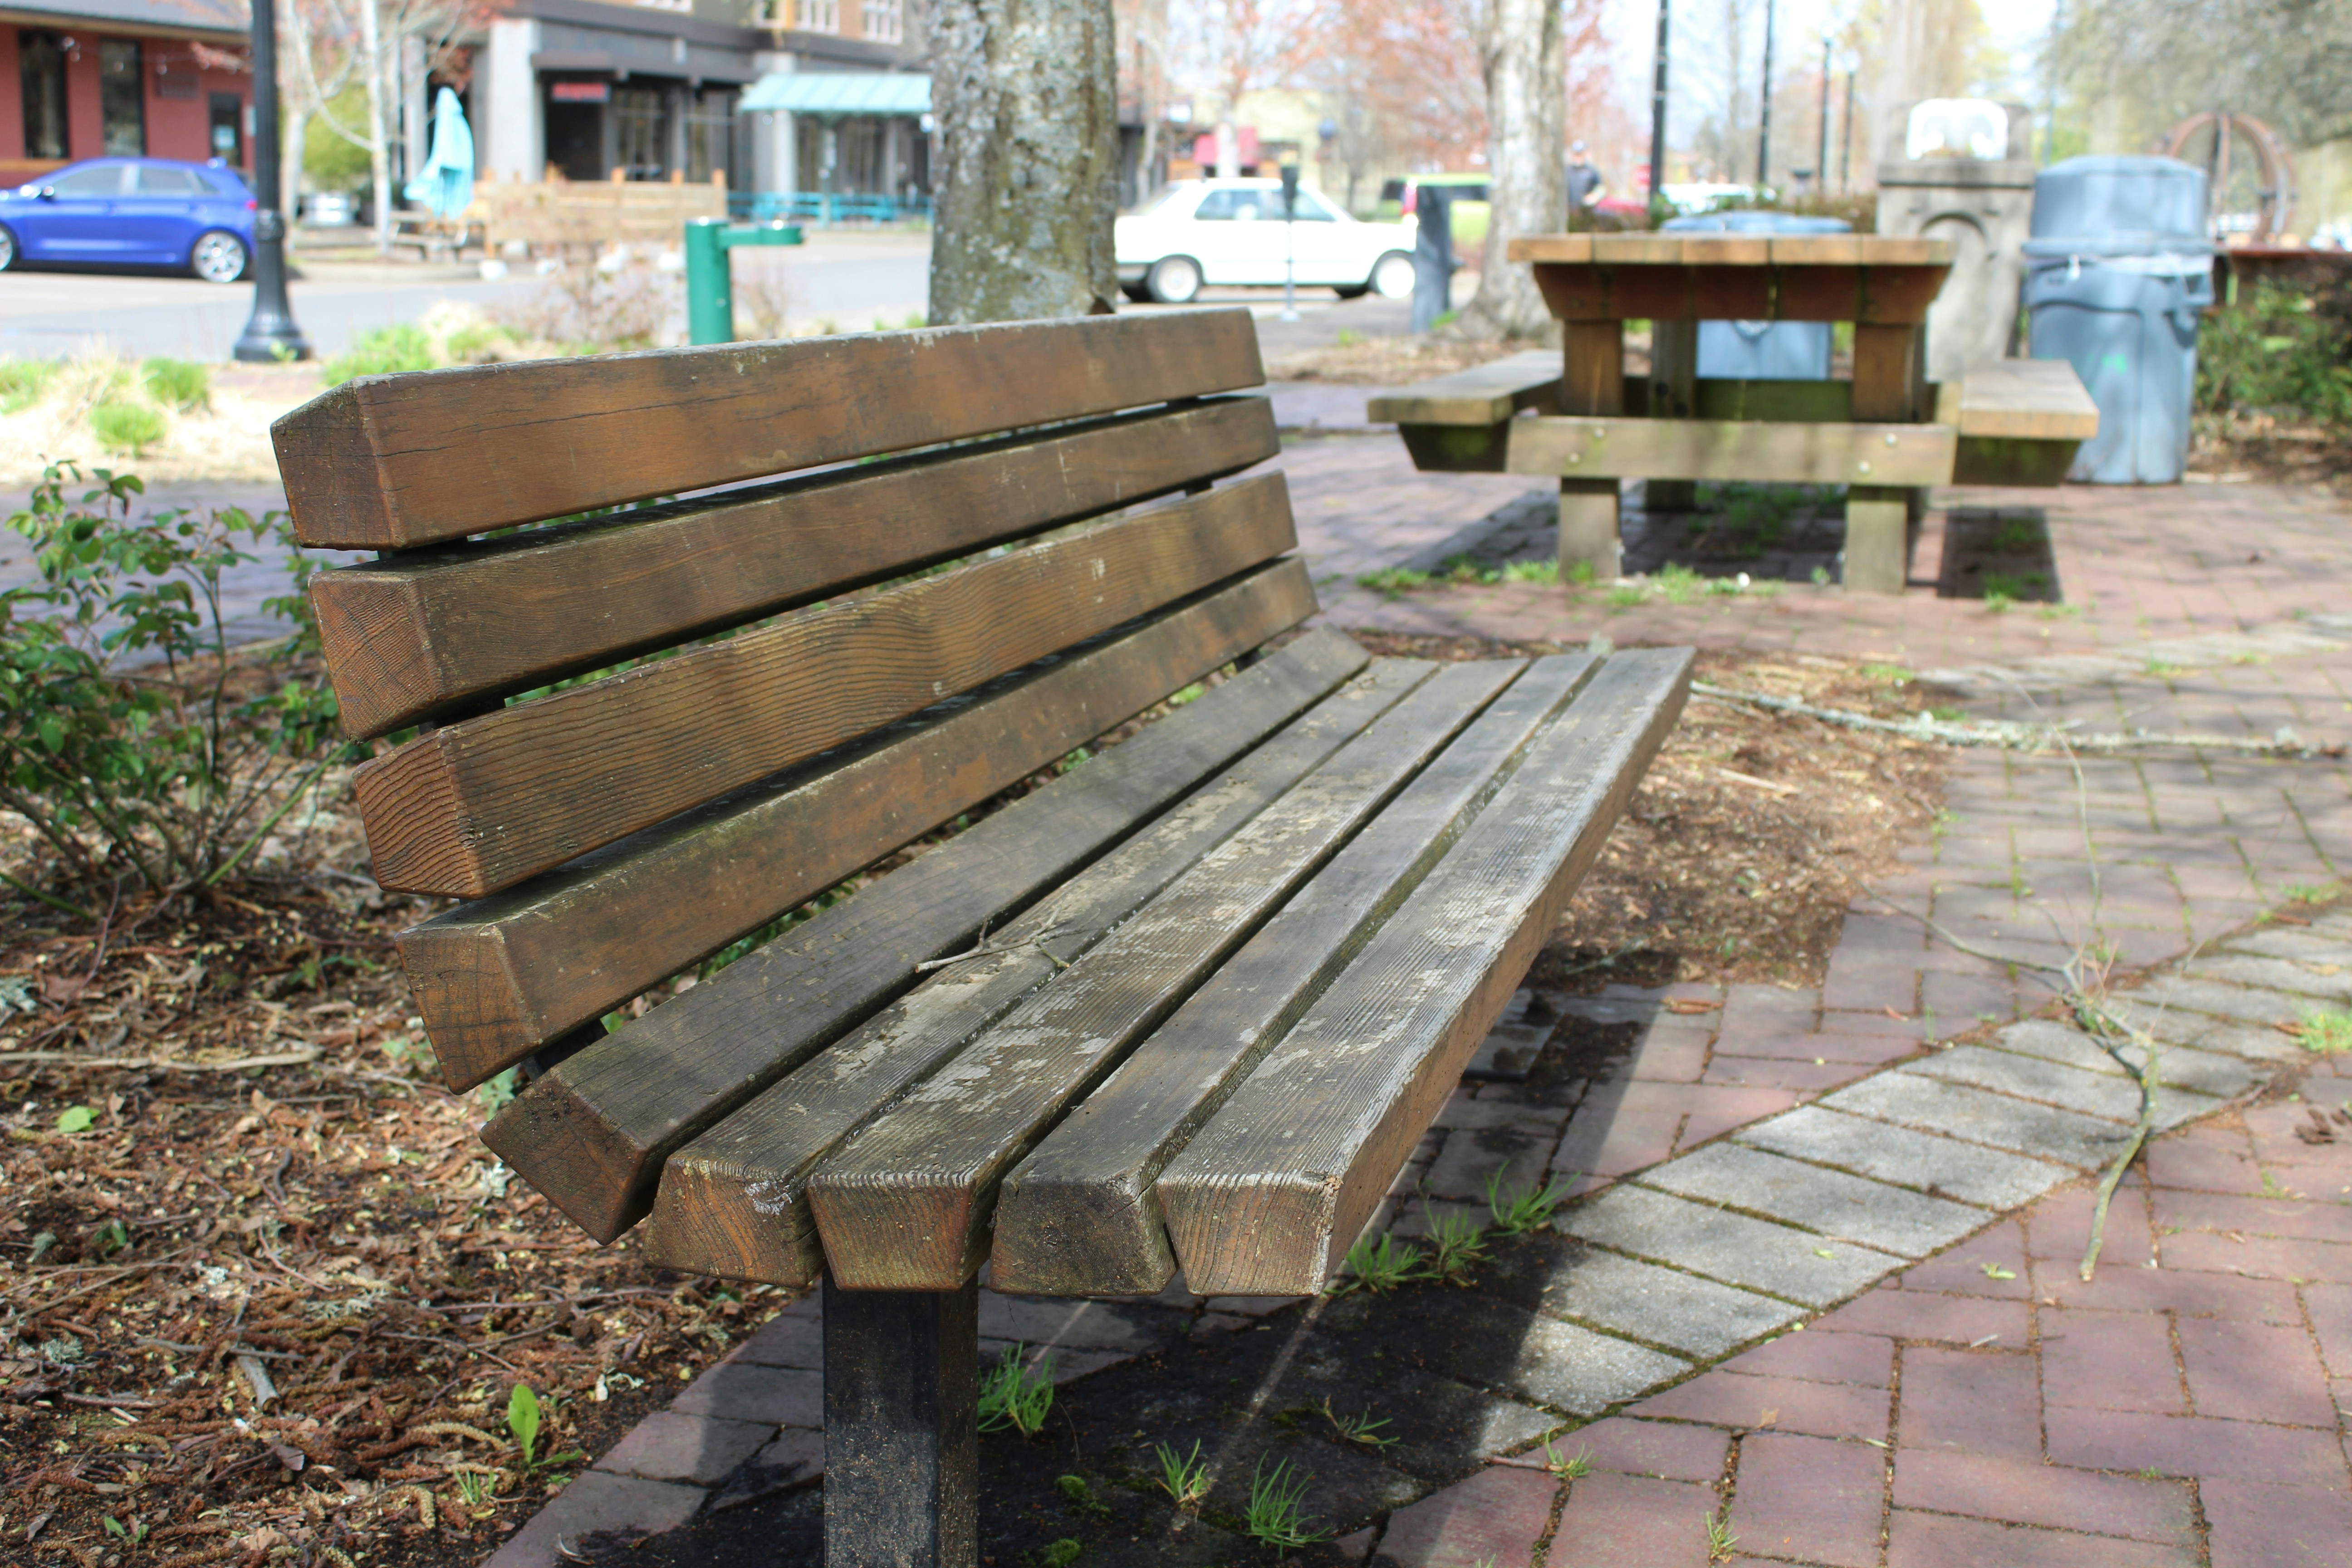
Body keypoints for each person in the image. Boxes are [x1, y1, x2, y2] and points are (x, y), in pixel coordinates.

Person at [1566, 140, 1607, 210]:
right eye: (1576, 154)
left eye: (1581, 154)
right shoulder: (1567, 171)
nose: (1578, 157)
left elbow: (1601, 188)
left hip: (1586, 210)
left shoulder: (1592, 171)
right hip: (1568, 209)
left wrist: (1595, 196)